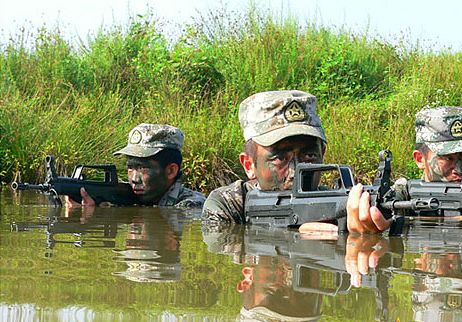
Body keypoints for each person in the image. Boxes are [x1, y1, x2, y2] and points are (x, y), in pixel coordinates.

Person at [202, 90, 390, 233]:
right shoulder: (228, 205)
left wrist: (356, 238)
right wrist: (294, 237)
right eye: (280, 158)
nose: (295, 172)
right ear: (249, 165)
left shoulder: (339, 204)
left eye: (309, 157)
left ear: (322, 153)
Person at [65, 123, 206, 208]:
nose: (134, 178)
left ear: (170, 171)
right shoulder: (128, 197)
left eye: (142, 168)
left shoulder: (194, 205)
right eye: (130, 168)